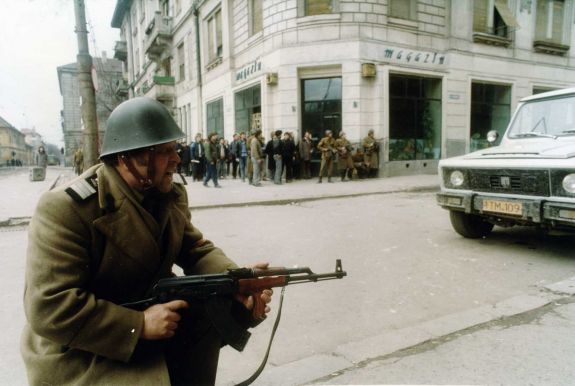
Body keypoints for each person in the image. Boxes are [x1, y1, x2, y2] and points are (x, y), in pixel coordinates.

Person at [21, 97, 272, 386]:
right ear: (127, 158)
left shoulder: (167, 194)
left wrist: (238, 280)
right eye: (164, 151)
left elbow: (194, 249)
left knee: (224, 310)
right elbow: (49, 307)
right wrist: (138, 326)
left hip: (157, 319)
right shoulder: (67, 208)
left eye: (174, 148)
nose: (177, 158)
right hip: (85, 348)